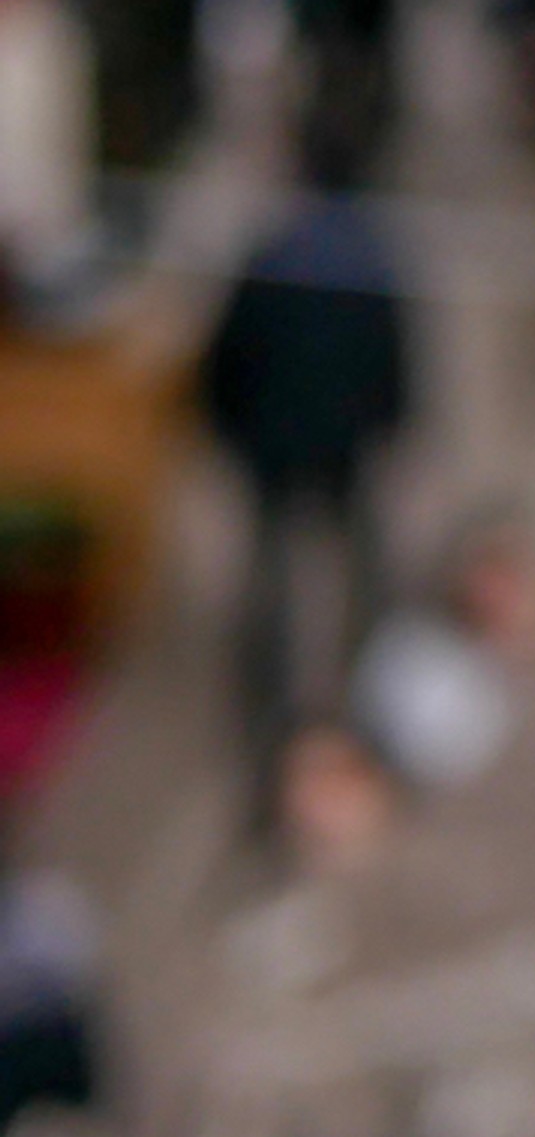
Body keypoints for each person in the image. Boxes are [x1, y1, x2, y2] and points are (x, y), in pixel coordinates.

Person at [195, 95, 409, 839]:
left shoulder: (272, 253)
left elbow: (224, 357)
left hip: (279, 445)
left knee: (280, 590)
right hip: (339, 442)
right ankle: (363, 717)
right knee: (355, 581)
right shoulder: (368, 254)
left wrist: (227, 426)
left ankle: (287, 722)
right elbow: (396, 360)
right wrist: (390, 422)